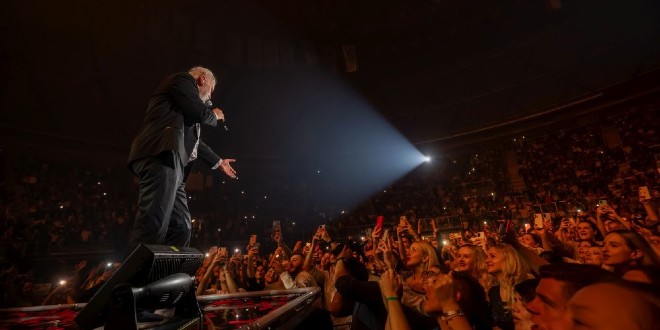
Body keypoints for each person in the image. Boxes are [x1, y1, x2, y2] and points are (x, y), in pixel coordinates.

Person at [126, 67, 237, 252]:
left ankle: (169, 270)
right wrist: (214, 115)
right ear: (202, 79)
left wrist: (218, 162)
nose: (210, 96)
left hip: (175, 165)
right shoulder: (182, 80)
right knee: (155, 219)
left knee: (181, 226)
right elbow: (200, 113)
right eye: (211, 89)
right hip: (161, 154)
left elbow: (196, 142)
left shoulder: (182, 110)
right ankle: (136, 276)